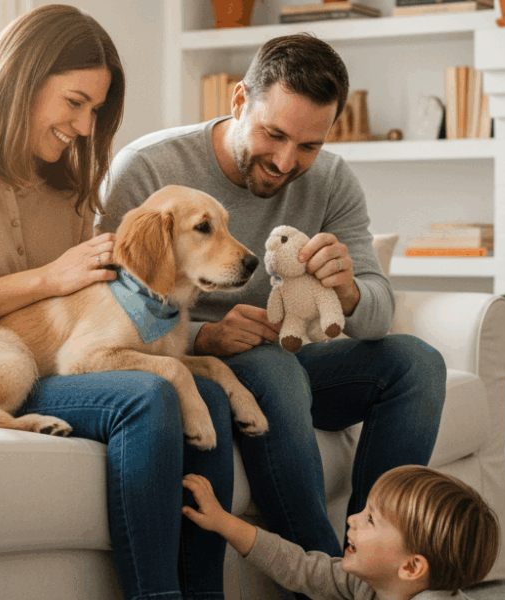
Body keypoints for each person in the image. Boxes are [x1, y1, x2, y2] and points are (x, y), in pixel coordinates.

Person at [0, 5, 235, 600]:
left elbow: (87, 316)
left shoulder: (67, 186)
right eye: (75, 102)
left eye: (95, 111)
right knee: (147, 394)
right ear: (21, 79)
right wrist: (44, 280)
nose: (86, 128)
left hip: (48, 364)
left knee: (208, 396)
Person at [99, 32, 448, 580]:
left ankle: (379, 563)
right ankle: (329, 580)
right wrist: (201, 339)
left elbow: (378, 313)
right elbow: (107, 304)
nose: (287, 161)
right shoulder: (148, 168)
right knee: (273, 367)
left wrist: (350, 287)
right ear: (239, 102)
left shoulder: (331, 180)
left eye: (308, 145)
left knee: (417, 364)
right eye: (274, 134)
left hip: (290, 357)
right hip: (207, 361)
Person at [182, 465, 499, 600]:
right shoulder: (367, 583)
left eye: (371, 520)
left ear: (411, 567)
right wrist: (224, 521)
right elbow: (299, 567)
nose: (352, 520)